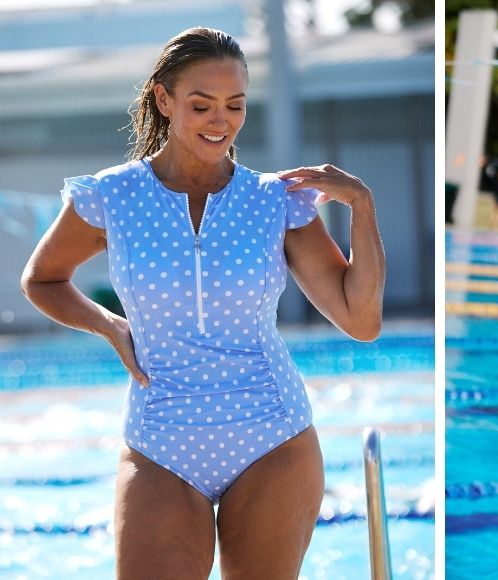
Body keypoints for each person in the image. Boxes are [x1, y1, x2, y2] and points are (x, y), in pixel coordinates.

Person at [20, 27, 385, 578]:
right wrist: (109, 327)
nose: (221, 121)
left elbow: (361, 319)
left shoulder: (275, 201)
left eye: (235, 105)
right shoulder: (112, 196)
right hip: (161, 439)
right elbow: (42, 279)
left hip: (273, 437)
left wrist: (362, 206)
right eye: (202, 104)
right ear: (164, 100)